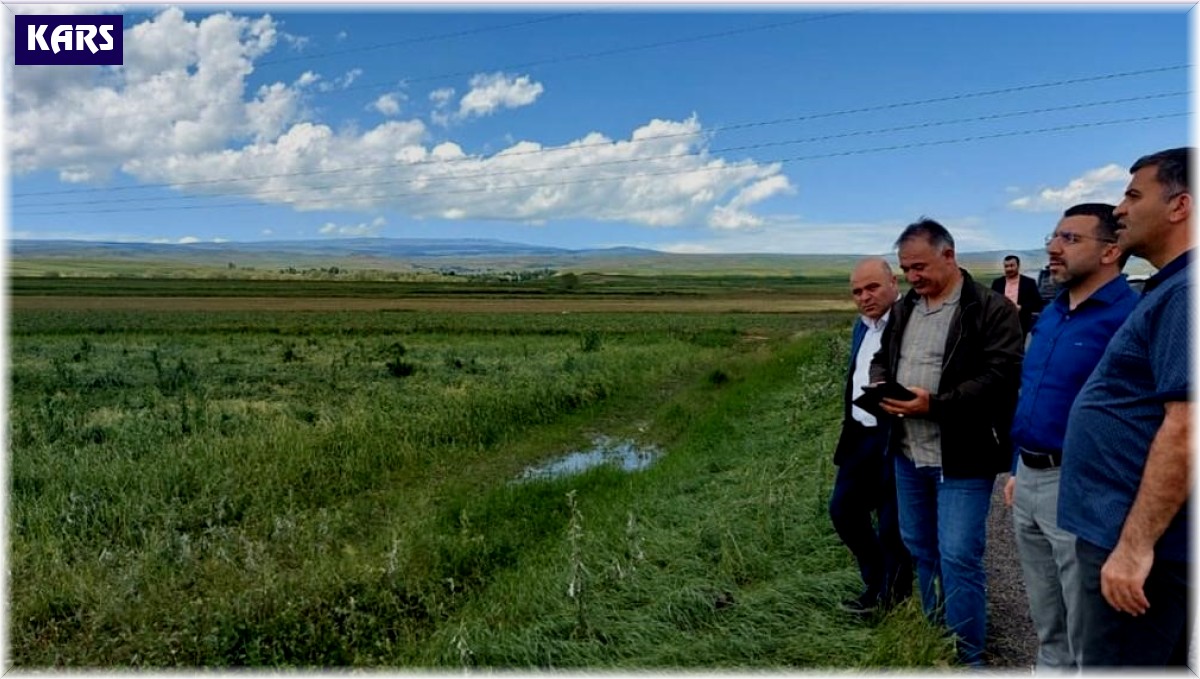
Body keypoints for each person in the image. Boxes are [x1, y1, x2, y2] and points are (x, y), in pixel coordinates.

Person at [1057, 147, 1193, 667]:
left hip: (1135, 547)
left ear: (1180, 205)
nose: (1119, 209)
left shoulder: (1186, 293)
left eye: (1134, 195)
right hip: (1126, 537)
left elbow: (1187, 428)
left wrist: (1135, 547)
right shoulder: (1170, 287)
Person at [869, 218, 1023, 667]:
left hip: (963, 457)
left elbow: (1000, 378)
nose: (912, 277)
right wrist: (880, 385)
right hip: (907, 453)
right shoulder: (905, 308)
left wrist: (934, 405)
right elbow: (882, 357)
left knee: (958, 556)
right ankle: (936, 640)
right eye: (905, 269)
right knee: (921, 548)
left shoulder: (990, 309)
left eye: (919, 267)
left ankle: (967, 659)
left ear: (949, 255)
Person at [1002, 203, 1139, 670]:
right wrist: (1019, 465)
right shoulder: (1052, 313)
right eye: (1054, 237)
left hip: (1081, 482)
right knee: (1046, 616)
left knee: (1088, 624)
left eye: (1070, 239)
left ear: (1111, 251)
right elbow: (1036, 393)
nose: (1053, 248)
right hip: (1030, 475)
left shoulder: (1130, 317)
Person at [830, 257, 913, 614]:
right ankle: (877, 581)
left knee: (892, 524)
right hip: (859, 437)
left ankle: (891, 598)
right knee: (844, 510)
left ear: (894, 283)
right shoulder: (861, 328)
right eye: (857, 291)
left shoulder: (912, 321)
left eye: (872, 287)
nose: (864, 297)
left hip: (895, 436)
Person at [991, 254, 1044, 337]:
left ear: (1018, 266)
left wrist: (1021, 307)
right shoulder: (997, 283)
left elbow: (1037, 303)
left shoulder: (1029, 282)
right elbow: (991, 302)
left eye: (1012, 266)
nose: (1009, 269)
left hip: (1021, 323)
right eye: (1006, 266)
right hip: (1001, 323)